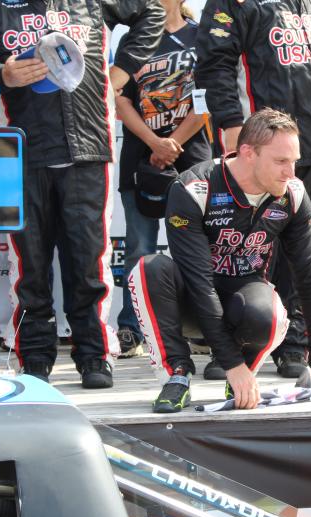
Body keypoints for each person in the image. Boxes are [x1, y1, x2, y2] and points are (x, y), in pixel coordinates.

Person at [0, 0, 164, 388]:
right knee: (31, 267)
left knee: (88, 263)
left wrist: (120, 72)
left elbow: (152, 10)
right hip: (23, 152)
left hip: (88, 149)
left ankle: (94, 355)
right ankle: (34, 358)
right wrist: (2, 72)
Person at [194, 0, 311, 378]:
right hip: (256, 147)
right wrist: (229, 122)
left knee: (306, 251)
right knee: (237, 243)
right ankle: (234, 346)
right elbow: (215, 62)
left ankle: (295, 345)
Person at [129, 108, 311, 413]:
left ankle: (245, 374)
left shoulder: (292, 193)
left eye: (294, 161)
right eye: (281, 161)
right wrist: (231, 362)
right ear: (247, 153)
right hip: (192, 300)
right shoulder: (194, 188)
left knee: (272, 310)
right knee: (149, 269)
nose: (291, 172)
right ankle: (177, 375)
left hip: (243, 302)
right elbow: (201, 285)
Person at [114, 0, 210, 361]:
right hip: (141, 156)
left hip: (192, 157)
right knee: (139, 249)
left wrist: (173, 144)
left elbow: (207, 100)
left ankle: (199, 326)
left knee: (196, 247)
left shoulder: (201, 36)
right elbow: (118, 98)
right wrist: (154, 143)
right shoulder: (132, 39)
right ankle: (132, 328)